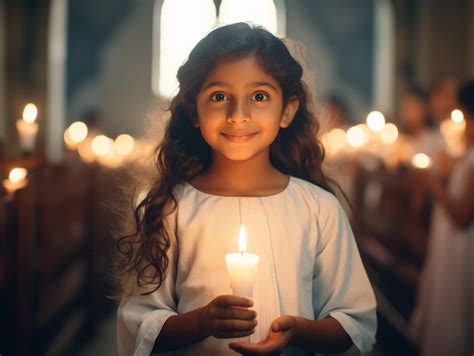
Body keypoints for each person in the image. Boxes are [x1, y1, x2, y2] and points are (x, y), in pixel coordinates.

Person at [114, 23, 377, 356]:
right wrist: (200, 323)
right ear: (195, 110)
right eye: (220, 96)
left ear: (287, 110)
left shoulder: (319, 208)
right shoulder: (171, 208)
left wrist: (300, 331)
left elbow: (354, 320)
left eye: (260, 96)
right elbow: (139, 321)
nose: (238, 115)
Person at [410, 79, 474, 355]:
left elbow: (461, 214)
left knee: (455, 311)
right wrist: (449, 173)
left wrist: (435, 184)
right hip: (449, 245)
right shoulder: (467, 154)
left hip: (460, 247)